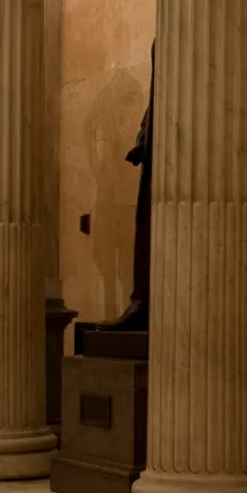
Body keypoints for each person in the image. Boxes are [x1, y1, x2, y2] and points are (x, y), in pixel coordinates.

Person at [99, 41, 153, 331]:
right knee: (145, 228)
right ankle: (141, 302)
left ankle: (147, 304)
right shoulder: (165, 42)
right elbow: (156, 101)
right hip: (156, 158)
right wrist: (142, 139)